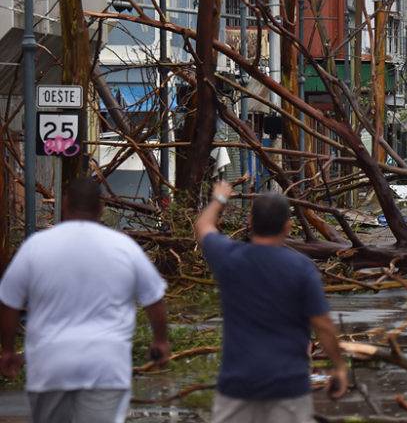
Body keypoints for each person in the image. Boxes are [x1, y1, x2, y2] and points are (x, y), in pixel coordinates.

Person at [0, 177, 171, 423]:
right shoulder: (124, 247)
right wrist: (161, 341)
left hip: (50, 366)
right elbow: (154, 299)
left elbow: (9, 302)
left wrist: (7, 350)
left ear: (64, 205)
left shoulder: (36, 247)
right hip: (105, 367)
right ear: (101, 208)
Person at [196, 181, 348, 422]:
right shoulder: (302, 269)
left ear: (249, 223)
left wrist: (220, 199)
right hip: (288, 387)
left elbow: (203, 226)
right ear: (288, 227)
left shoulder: (228, 257)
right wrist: (339, 366)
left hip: (238, 385)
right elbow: (323, 325)